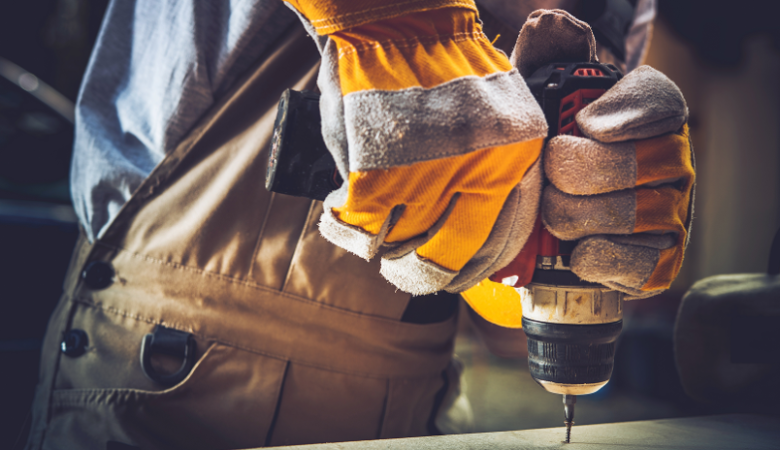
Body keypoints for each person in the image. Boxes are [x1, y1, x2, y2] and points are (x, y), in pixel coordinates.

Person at [25, 1, 694, 448]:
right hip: (172, 356)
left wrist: (544, 242)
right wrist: (399, 19)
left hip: (410, 375)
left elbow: (544, 160)